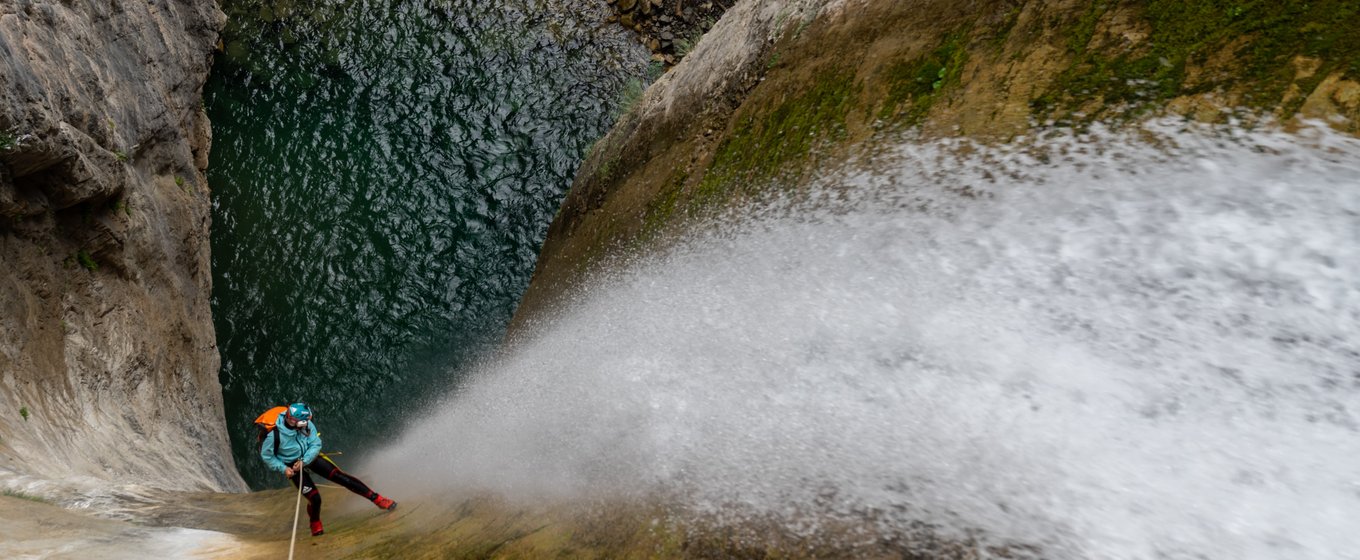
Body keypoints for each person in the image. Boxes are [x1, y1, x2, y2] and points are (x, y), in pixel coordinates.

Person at [260, 402, 396, 536]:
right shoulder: (274, 435)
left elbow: (315, 444)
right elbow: (267, 456)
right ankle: (314, 521)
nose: (305, 423)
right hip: (292, 467)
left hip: (309, 457)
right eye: (291, 417)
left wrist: (304, 460)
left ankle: (377, 499)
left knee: (341, 478)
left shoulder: (306, 424)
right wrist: (284, 468)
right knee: (315, 499)